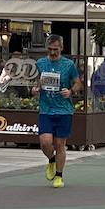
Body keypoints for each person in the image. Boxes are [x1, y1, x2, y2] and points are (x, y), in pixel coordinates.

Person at [37, 34, 79, 186]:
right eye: (50, 49)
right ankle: (51, 160)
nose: (53, 52)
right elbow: (36, 82)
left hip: (63, 110)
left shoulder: (68, 65)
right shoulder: (40, 63)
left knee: (60, 144)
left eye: (56, 49)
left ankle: (59, 176)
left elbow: (77, 83)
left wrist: (71, 91)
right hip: (46, 109)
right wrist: (35, 89)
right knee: (45, 142)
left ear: (61, 48)